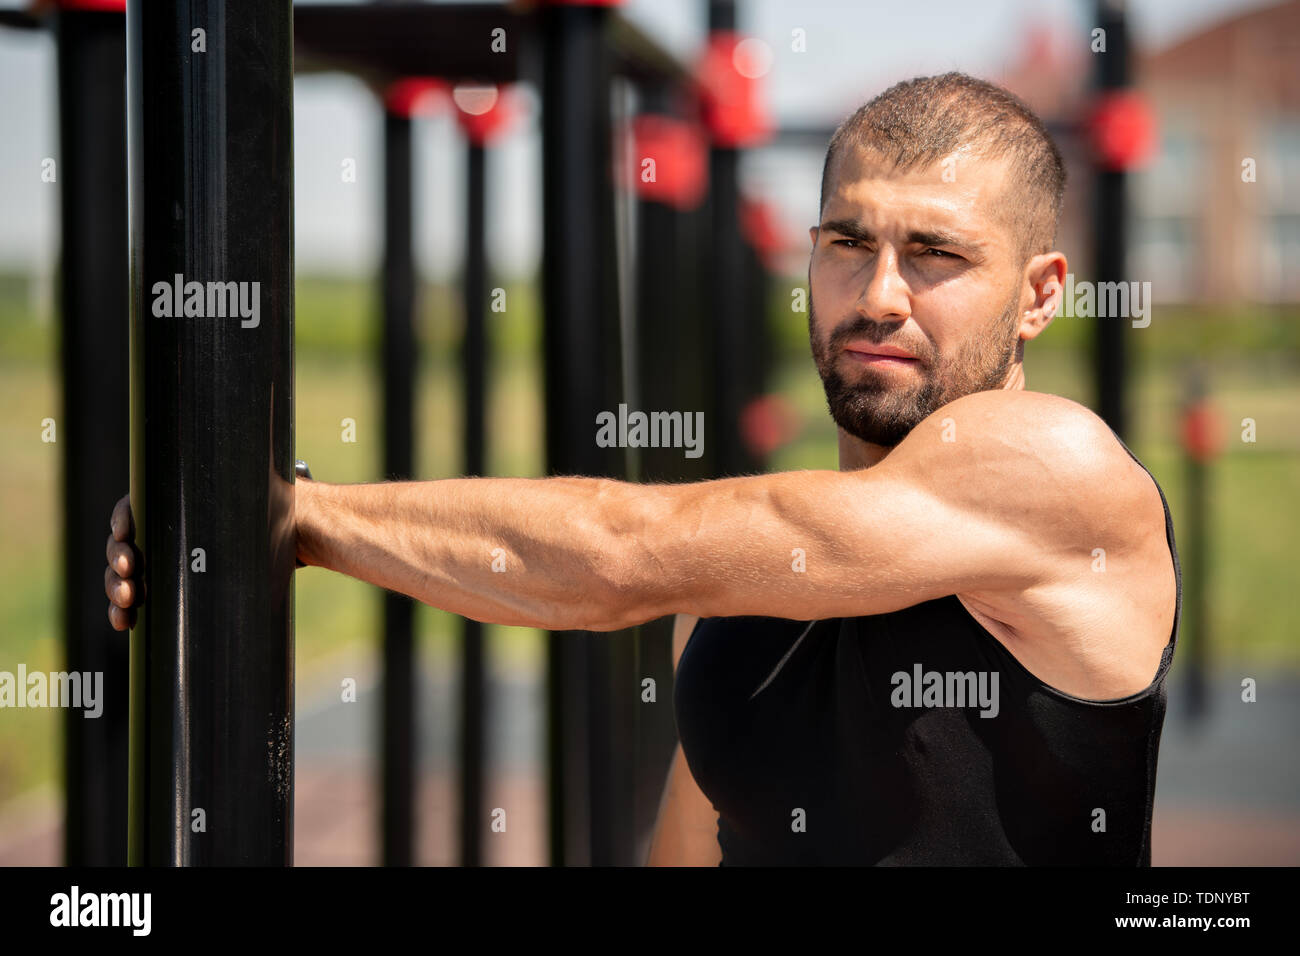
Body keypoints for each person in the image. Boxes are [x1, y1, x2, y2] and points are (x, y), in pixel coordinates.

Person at [106, 72, 1179, 866]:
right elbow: (694, 839)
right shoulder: (740, 597)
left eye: (934, 255)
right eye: (846, 242)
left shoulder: (1055, 470)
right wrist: (261, 518)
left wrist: (289, 516)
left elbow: (623, 554)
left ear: (1039, 293)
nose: (880, 292)